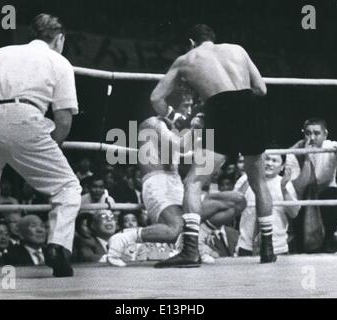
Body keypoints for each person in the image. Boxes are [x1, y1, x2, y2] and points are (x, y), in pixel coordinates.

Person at [0, 13, 82, 277]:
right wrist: (44, 153)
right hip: (23, 118)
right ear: (59, 39)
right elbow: (63, 120)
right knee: (67, 186)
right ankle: (58, 247)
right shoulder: (59, 61)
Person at [149, 24, 275, 264]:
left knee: (194, 181)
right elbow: (261, 88)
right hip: (250, 108)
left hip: (219, 110)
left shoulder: (186, 59)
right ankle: (268, 249)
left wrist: (173, 117)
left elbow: (156, 97)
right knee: (258, 182)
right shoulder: (238, 50)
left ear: (191, 42)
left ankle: (190, 250)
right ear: (213, 39)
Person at [107, 95, 246, 267]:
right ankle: (122, 239)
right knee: (175, 229)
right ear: (170, 106)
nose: (189, 111)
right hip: (156, 184)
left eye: (190, 106)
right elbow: (180, 146)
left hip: (176, 183)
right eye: (186, 106)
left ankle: (195, 240)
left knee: (237, 201)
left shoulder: (172, 128)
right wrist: (195, 128)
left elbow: (185, 154)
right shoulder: (152, 123)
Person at [285, 118, 337, 252]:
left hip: (324, 195)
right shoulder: (294, 152)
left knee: (334, 193)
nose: (312, 137)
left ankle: (328, 242)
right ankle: (304, 247)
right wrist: (306, 158)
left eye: (316, 133)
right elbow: (299, 186)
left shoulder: (329, 146)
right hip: (303, 197)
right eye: (308, 133)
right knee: (298, 204)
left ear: (325, 134)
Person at [235, 153, 300, 256]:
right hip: (246, 246)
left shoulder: (285, 183)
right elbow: (234, 208)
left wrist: (283, 188)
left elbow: (294, 213)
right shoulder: (244, 179)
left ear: (282, 166)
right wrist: (250, 177)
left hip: (277, 247)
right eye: (267, 159)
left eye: (274, 161)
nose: (269, 163)